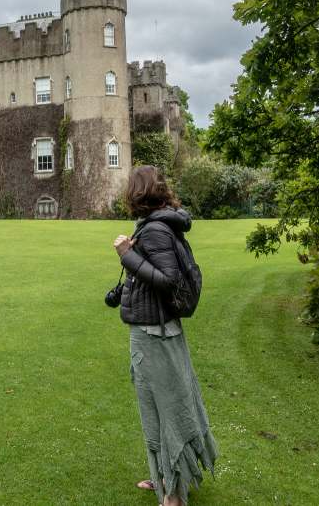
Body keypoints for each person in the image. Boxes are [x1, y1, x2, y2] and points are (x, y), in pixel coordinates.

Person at [112, 165, 218, 506]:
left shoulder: (155, 230)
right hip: (153, 331)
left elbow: (168, 279)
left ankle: (173, 496)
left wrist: (127, 256)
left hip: (155, 336)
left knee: (166, 413)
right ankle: (164, 477)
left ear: (137, 192)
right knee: (155, 412)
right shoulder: (160, 224)